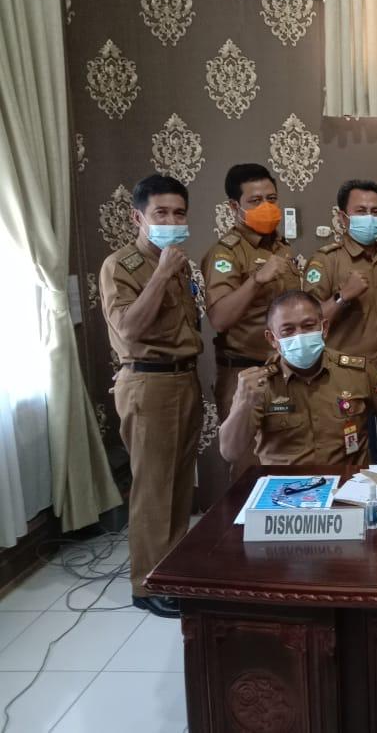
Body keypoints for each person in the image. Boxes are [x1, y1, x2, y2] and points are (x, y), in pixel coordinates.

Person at [99, 174, 202, 619]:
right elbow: (129, 329)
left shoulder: (181, 264)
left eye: (179, 213)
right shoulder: (120, 266)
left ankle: (172, 571)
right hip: (148, 382)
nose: (172, 221)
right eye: (161, 213)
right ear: (137, 217)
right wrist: (161, 274)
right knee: (153, 487)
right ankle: (147, 583)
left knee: (178, 484)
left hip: (183, 379)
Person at [219, 291, 377, 466]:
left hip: (347, 484)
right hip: (284, 488)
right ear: (272, 339)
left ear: (324, 328)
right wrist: (244, 404)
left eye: (308, 326)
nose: (300, 336)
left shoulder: (357, 372)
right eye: (288, 330)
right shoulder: (258, 385)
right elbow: (230, 453)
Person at [203, 164, 300, 482]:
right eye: (255, 201)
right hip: (245, 373)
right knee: (248, 469)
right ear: (234, 207)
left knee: (285, 465)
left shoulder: (282, 249)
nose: (266, 207)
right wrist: (256, 280)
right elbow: (220, 319)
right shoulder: (226, 254)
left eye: (271, 199)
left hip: (285, 373)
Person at [303, 180, 377, 459]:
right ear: (343, 217)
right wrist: (343, 297)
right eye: (361, 211)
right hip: (344, 385)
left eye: (376, 212)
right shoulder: (326, 261)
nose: (370, 218)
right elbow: (307, 325)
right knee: (349, 462)